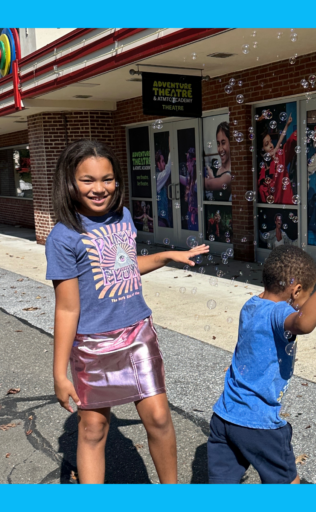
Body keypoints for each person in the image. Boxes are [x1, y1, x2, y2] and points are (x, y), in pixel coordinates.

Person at [45, 139, 209, 484]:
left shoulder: (123, 217)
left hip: (137, 335)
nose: (99, 188)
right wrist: (60, 373)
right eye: (87, 180)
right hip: (92, 346)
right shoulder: (63, 237)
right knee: (93, 428)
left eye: (107, 178)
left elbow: (122, 266)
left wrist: (166, 257)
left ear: (117, 181)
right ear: (70, 182)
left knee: (160, 418)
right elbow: (67, 308)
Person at [208, 242, 316, 484]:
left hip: (224, 417)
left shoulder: (251, 305)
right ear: (297, 290)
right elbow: (303, 323)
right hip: (259, 423)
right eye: (308, 295)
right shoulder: (278, 312)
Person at [258, 114, 296, 205]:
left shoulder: (279, 158)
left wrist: (287, 125)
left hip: (285, 207)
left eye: (271, 141)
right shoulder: (260, 172)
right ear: (261, 150)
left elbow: (284, 141)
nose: (271, 145)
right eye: (267, 144)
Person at [204, 122, 232, 202]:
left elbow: (209, 185)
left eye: (223, 143)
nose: (220, 149)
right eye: (218, 144)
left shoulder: (229, 175)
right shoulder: (215, 170)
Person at [155, 149, 172, 227]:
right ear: (158, 164)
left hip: (164, 217)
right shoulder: (157, 177)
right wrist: (171, 151)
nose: (164, 164)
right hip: (160, 219)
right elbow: (167, 171)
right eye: (162, 161)